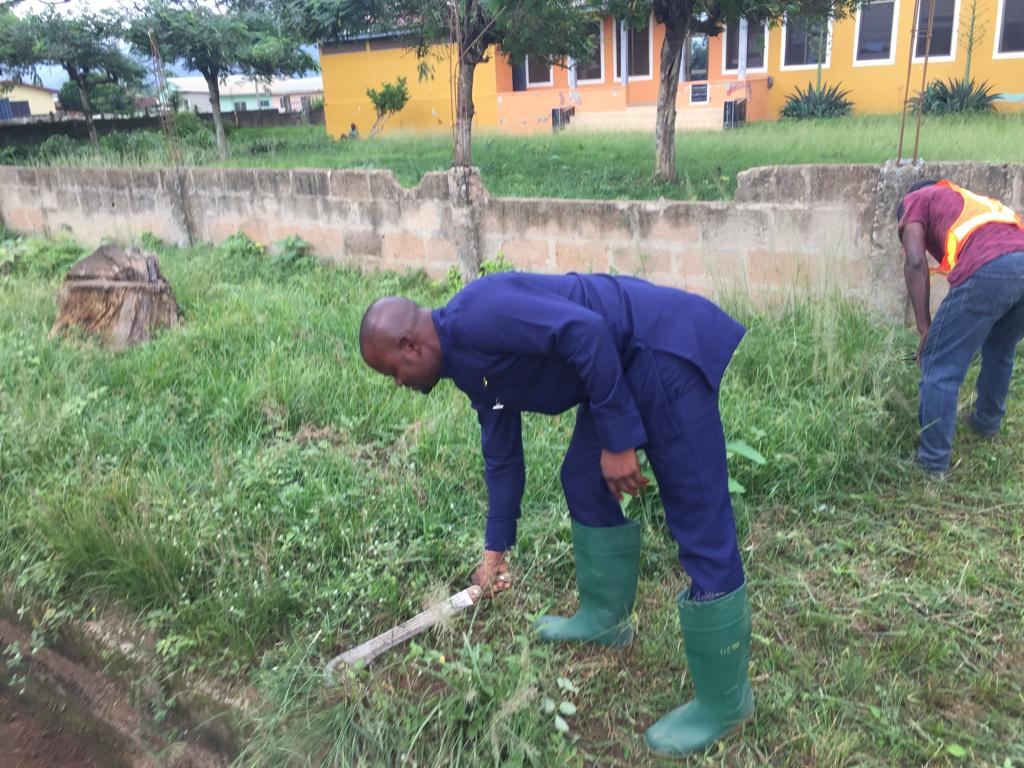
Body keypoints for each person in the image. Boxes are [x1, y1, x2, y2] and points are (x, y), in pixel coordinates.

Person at [359, 272, 753, 756]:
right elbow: (501, 454)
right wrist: (495, 547)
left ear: (410, 344)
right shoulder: (464, 363)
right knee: (584, 481)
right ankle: (605, 618)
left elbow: (587, 332)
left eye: (393, 372)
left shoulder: (481, 312)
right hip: (618, 367)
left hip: (658, 350)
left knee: (698, 516)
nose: (398, 384)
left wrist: (619, 439)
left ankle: (725, 704)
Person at [898, 180, 1024, 477]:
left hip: (991, 267)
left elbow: (915, 261)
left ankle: (932, 463)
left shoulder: (916, 199)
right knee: (1000, 346)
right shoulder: (972, 201)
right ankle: (986, 423)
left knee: (939, 363)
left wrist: (924, 327)